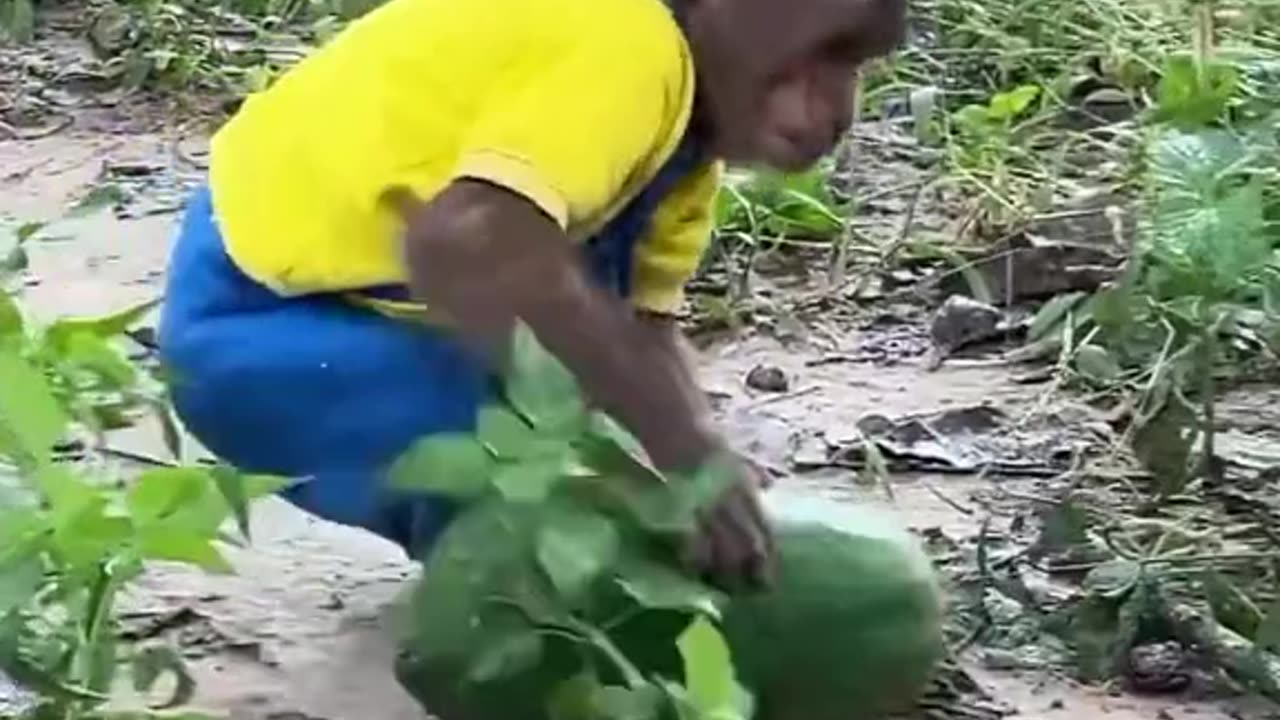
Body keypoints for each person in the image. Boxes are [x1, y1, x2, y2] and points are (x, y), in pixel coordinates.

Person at [158, 0, 906, 591]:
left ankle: (512, 593)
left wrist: (702, 454)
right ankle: (501, 623)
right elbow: (469, 244)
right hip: (256, 322)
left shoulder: (684, 153)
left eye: (855, 67)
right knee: (541, 478)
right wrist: (681, 455)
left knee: (587, 418)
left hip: (354, 316)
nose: (839, 110)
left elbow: (643, 331)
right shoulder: (623, 44)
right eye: (817, 57)